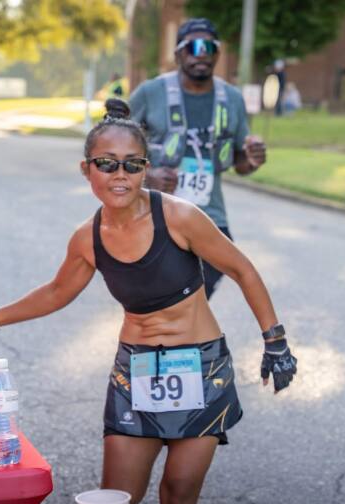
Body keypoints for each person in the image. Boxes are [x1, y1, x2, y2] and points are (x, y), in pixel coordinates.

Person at [0, 98, 297, 504]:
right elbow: (57, 291)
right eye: (106, 164)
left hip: (200, 367)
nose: (120, 175)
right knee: (117, 497)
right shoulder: (87, 238)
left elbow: (243, 270)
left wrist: (275, 342)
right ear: (86, 169)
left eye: (133, 165)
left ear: (146, 169)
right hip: (135, 371)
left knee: (178, 492)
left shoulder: (180, 217)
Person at [130, 18, 267, 300]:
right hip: (156, 216)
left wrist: (252, 159)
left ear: (218, 53)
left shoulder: (232, 99)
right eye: (193, 47)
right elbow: (111, 149)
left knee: (194, 300)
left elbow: (240, 163)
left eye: (209, 47)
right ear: (178, 53)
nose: (201, 53)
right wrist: (147, 176)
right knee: (163, 303)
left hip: (211, 217)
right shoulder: (150, 93)